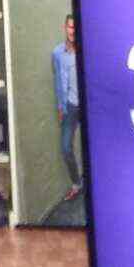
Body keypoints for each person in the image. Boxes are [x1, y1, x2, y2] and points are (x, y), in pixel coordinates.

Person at [51, 13, 82, 201]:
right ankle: (77, 183)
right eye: (70, 27)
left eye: (75, 27)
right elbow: (58, 83)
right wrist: (60, 107)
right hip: (70, 106)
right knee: (65, 148)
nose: (72, 31)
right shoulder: (57, 54)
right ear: (65, 28)